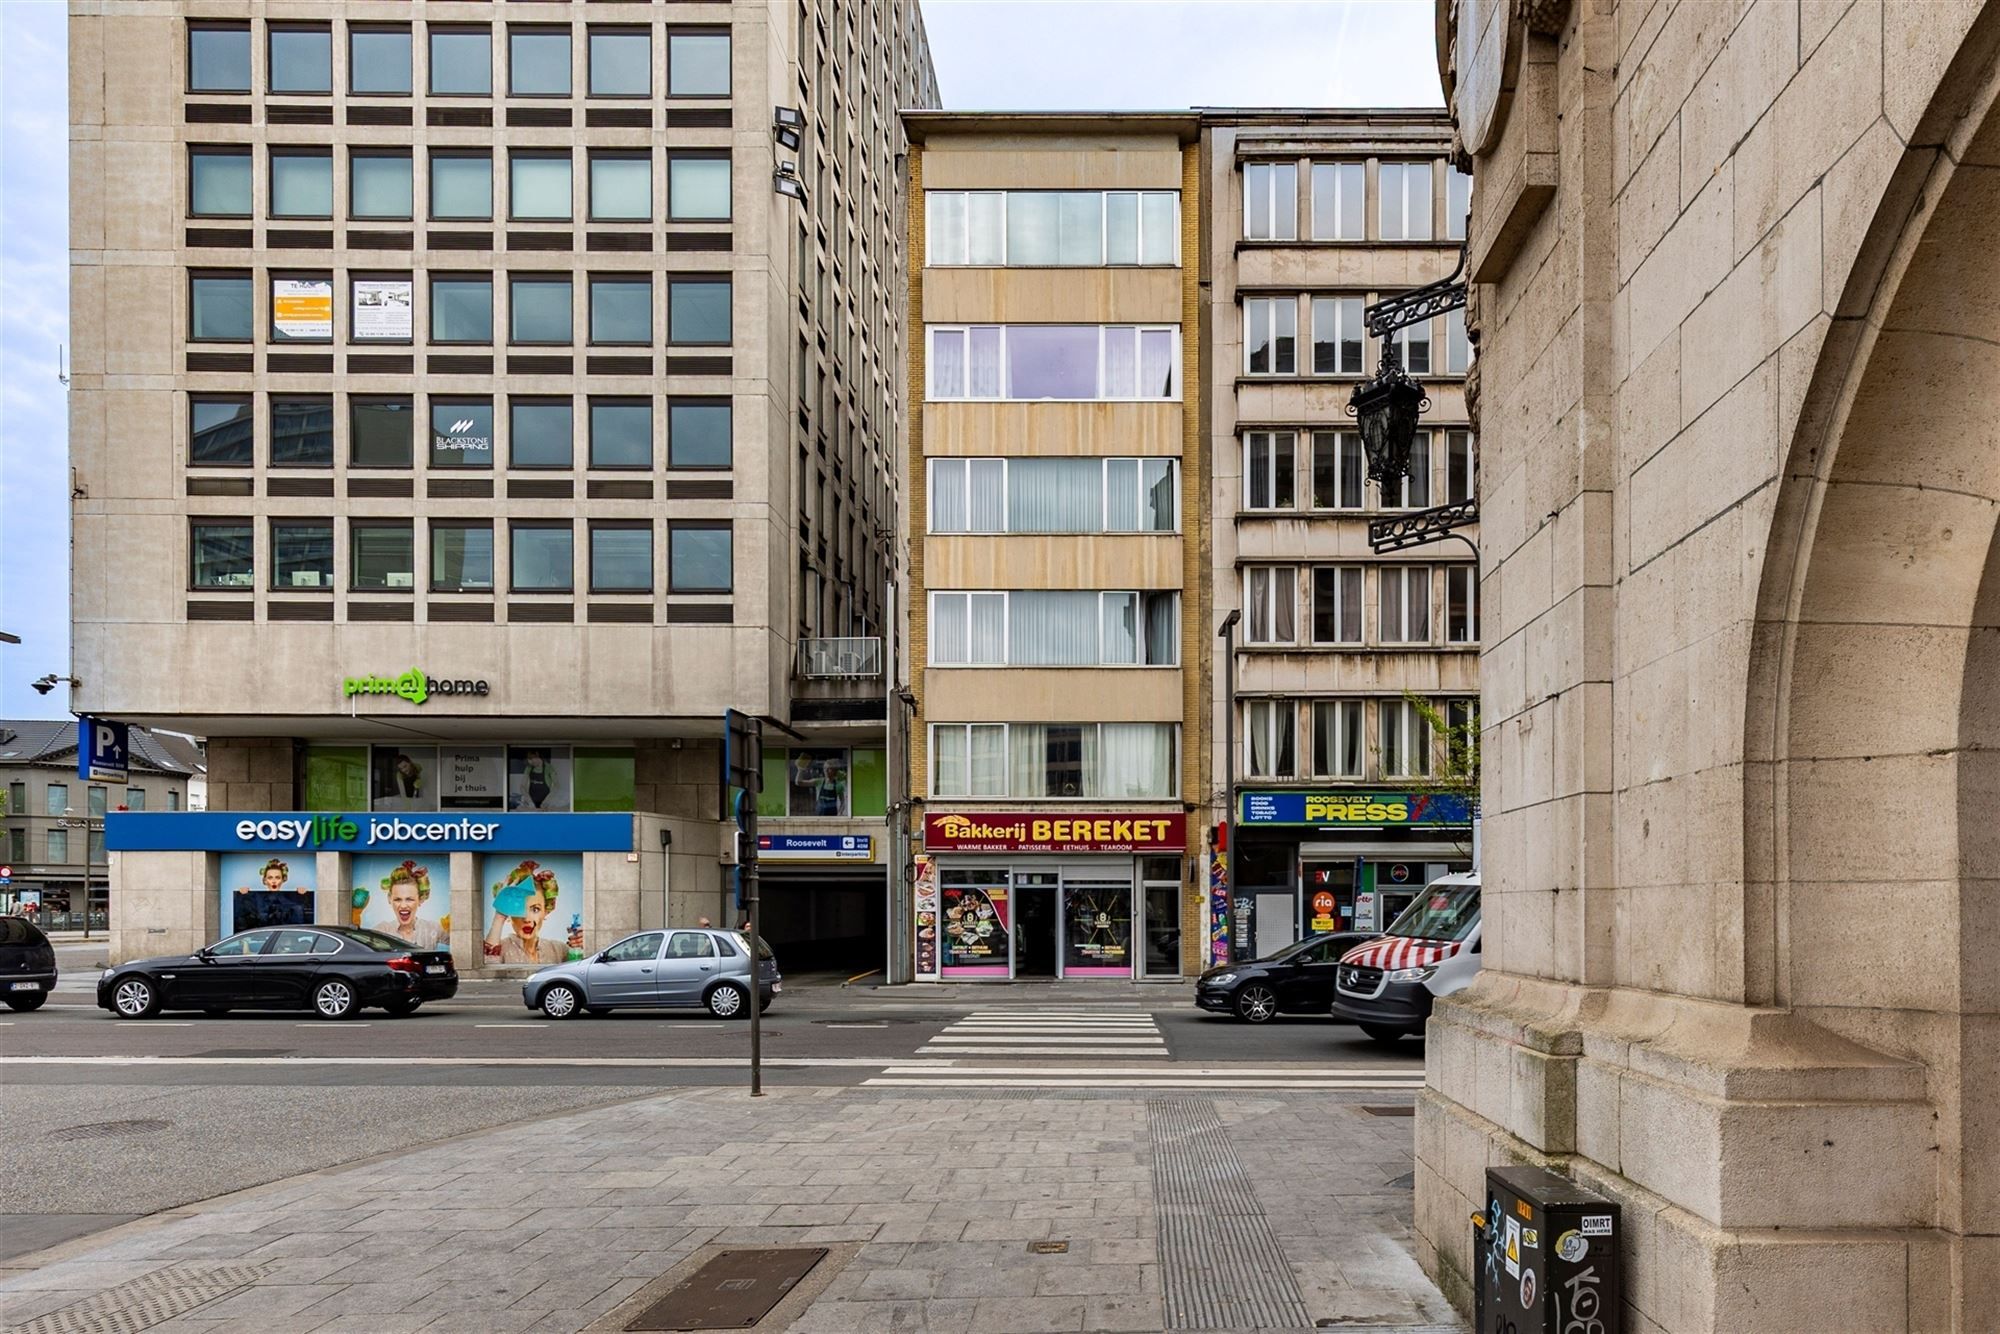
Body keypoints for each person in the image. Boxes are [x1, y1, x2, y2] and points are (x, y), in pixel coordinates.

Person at [482, 860, 579, 964]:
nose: (527, 919)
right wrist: (499, 916)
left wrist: (582, 944)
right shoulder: (501, 949)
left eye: (535, 909)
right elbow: (487, 968)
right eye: (519, 909)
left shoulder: (559, 950)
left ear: (545, 911)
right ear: (509, 913)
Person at [375, 861, 446, 951]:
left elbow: (464, 942)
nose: (403, 905)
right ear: (390, 899)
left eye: (409, 899)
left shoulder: (433, 928)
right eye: (398, 899)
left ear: (421, 899)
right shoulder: (381, 931)